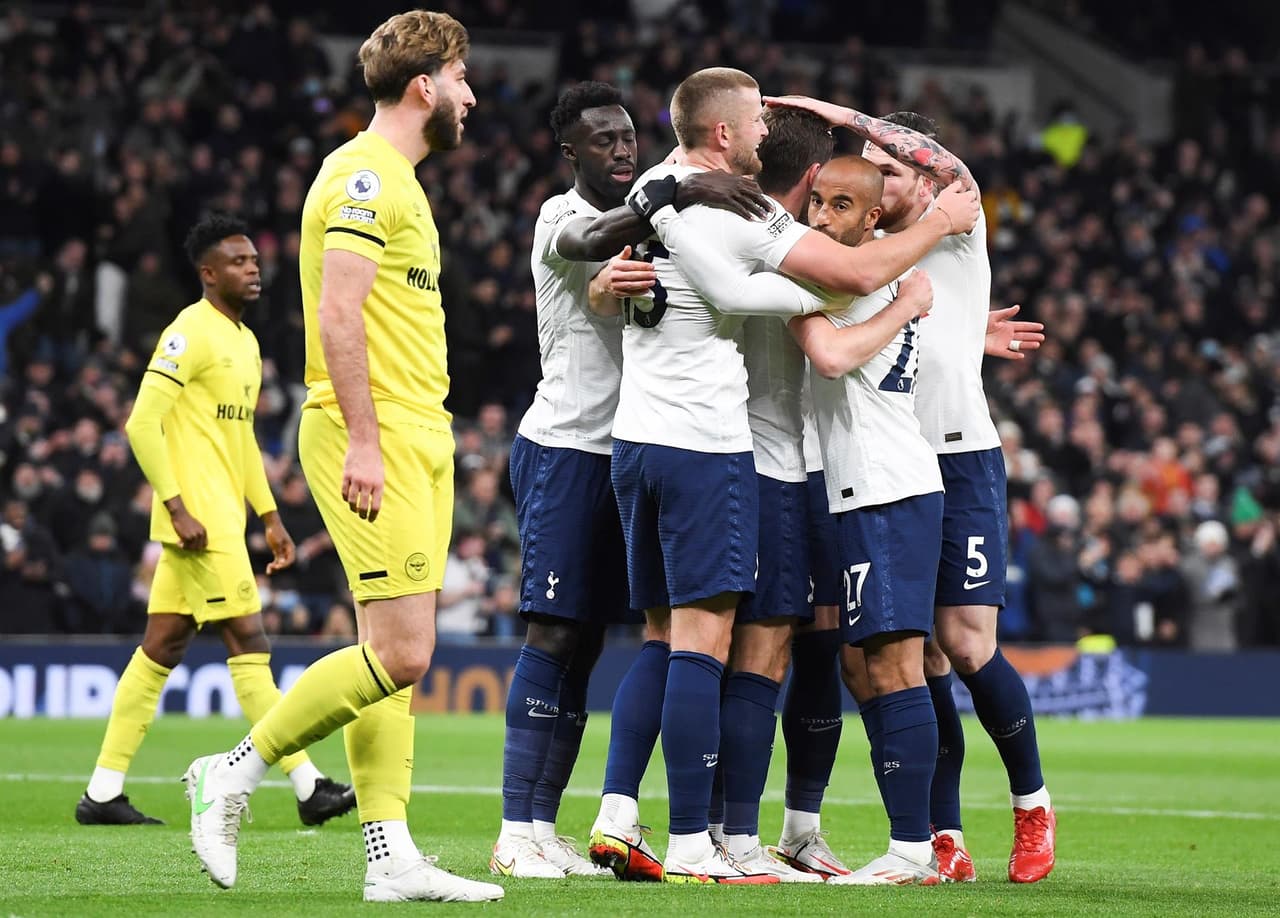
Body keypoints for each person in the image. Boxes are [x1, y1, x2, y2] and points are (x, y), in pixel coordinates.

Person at [595, 66, 978, 885]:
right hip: (763, 462)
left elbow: (597, 248)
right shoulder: (772, 233)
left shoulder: (669, 194)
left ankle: (666, 817)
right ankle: (728, 835)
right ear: (806, 182)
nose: (828, 212)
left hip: (703, 447)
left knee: (766, 647)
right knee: (756, 653)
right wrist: (931, 246)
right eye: (825, 196)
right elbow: (850, 296)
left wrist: (965, 336)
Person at [184, 12, 504, 903]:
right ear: (425, 86)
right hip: (374, 430)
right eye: (462, 78)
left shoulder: (400, 180)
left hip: (419, 427)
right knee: (402, 654)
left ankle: (388, 856)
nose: (472, 96)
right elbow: (336, 313)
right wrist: (364, 438)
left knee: (387, 657)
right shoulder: (364, 174)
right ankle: (234, 771)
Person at [768, 95, 1057, 883]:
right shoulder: (861, 252)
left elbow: (935, 163)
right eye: (872, 172)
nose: (882, 181)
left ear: (923, 179)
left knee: (965, 645)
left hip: (958, 458)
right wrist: (967, 335)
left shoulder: (953, 222)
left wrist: (819, 109)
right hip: (881, 466)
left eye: (892, 171)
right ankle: (941, 836)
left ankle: (1032, 805)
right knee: (909, 659)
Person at [495, 80, 774, 880]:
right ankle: (514, 830)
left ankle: (545, 827)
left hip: (628, 449)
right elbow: (591, 239)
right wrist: (685, 186)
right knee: (553, 634)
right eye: (603, 140)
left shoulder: (653, 216)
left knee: (588, 646)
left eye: (627, 137)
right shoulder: (563, 215)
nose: (621, 150)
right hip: (563, 447)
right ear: (570, 151)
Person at [75, 213, 354, 828]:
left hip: (224, 516)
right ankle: (308, 785)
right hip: (200, 522)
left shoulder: (246, 342)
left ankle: (101, 792)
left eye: (254, 260)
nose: (253, 269)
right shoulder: (188, 332)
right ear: (208, 273)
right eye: (238, 261)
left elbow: (241, 438)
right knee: (250, 643)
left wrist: (271, 515)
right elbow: (141, 423)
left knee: (162, 647)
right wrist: (176, 506)